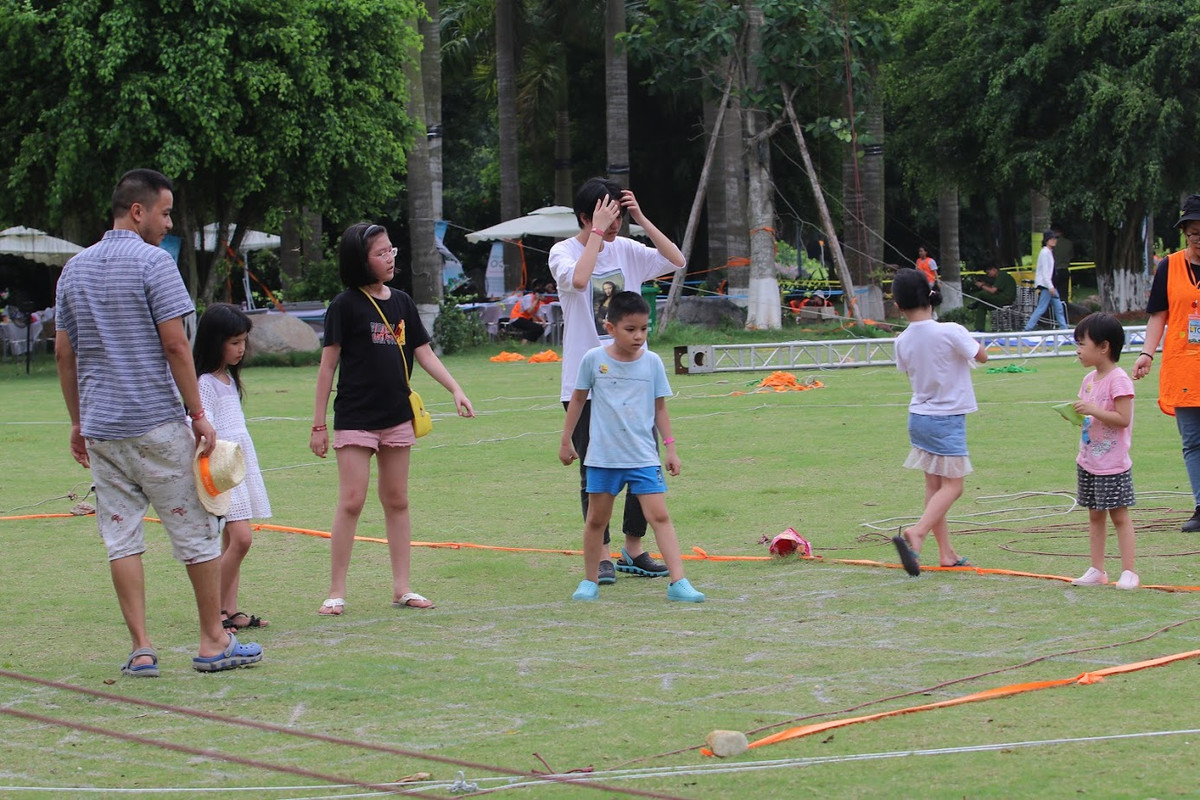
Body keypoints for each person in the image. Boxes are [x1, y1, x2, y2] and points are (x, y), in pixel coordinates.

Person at [55, 168, 262, 675]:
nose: (168, 224)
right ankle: (213, 640)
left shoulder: (73, 270)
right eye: (165, 212)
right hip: (157, 424)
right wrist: (198, 413)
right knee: (196, 534)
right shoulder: (155, 264)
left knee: (121, 539)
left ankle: (142, 647)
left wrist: (78, 422)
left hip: (103, 429)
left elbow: (65, 353)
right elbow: (175, 345)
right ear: (138, 210)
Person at [310, 222, 475, 616]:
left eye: (391, 251)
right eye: (381, 253)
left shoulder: (401, 302)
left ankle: (402, 587)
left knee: (397, 500)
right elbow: (327, 367)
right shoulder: (345, 305)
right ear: (360, 260)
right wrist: (318, 424)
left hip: (398, 416)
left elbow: (425, 353)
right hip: (355, 418)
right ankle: (336, 591)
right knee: (352, 500)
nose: (390, 258)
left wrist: (455, 388)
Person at [550, 177, 684, 584]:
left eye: (618, 217)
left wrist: (640, 217)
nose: (613, 227)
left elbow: (676, 259)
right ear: (585, 217)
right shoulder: (563, 251)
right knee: (594, 469)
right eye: (606, 218)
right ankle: (602, 553)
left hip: (633, 379)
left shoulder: (627, 247)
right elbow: (578, 281)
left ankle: (633, 547)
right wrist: (595, 235)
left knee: (640, 461)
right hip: (585, 381)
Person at [559, 291, 704, 603]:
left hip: (642, 457)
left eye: (644, 329)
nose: (639, 336)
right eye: (631, 329)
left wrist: (671, 448)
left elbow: (660, 409)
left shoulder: (652, 363)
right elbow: (578, 400)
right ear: (610, 328)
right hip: (602, 459)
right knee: (596, 520)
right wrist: (565, 440)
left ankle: (679, 582)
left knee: (660, 517)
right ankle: (590, 581)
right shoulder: (593, 360)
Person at [889, 268, 987, 575]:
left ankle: (947, 553)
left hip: (919, 418)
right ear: (930, 297)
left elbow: (910, 368)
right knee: (953, 487)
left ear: (898, 306)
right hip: (946, 420)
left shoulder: (901, 340)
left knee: (935, 487)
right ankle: (917, 533)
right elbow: (981, 356)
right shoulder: (951, 330)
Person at [193, 303, 273, 628]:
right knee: (241, 539)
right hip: (222, 471)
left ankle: (228, 610)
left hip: (237, 467)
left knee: (231, 541)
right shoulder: (204, 383)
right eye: (234, 342)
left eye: (243, 342)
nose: (241, 349)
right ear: (215, 342)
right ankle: (211, 607)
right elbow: (203, 428)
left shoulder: (226, 380)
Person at [1134, 193, 1200, 532]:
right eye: (1193, 233)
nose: (1198, 239)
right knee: (1191, 440)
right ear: (1185, 233)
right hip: (1183, 367)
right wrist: (1147, 353)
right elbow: (1159, 315)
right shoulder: (1169, 266)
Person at [1069, 313, 1137, 589]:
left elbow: (1123, 419)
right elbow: (1090, 416)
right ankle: (1097, 569)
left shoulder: (1118, 380)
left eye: (1082, 344)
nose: (1078, 350)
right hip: (1088, 460)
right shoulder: (1089, 379)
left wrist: (1094, 410)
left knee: (1118, 515)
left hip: (1112, 463)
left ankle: (1129, 571)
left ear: (1104, 347)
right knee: (1094, 514)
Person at [1023, 230, 1069, 330]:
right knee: (1041, 308)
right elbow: (1045, 273)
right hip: (1047, 285)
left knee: (1058, 307)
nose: (1054, 241)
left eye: (1055, 239)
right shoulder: (1044, 253)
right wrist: (1050, 286)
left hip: (1050, 285)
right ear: (1046, 240)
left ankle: (1063, 328)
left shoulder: (1048, 252)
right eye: (1052, 239)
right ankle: (1027, 328)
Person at [966, 264, 1017, 331]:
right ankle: (979, 328)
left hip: (1006, 299)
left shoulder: (1001, 275)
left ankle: (976, 303)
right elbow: (993, 289)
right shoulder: (999, 276)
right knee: (982, 305)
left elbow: (992, 291)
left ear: (994, 270)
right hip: (1001, 297)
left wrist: (981, 286)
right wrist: (985, 285)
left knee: (982, 294)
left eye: (988, 273)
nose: (988, 275)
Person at [1052, 226, 1074, 302]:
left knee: (1053, 295)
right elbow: (1071, 256)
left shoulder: (1053, 244)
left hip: (1055, 271)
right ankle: (1065, 310)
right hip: (1065, 270)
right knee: (1064, 296)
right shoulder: (1069, 243)